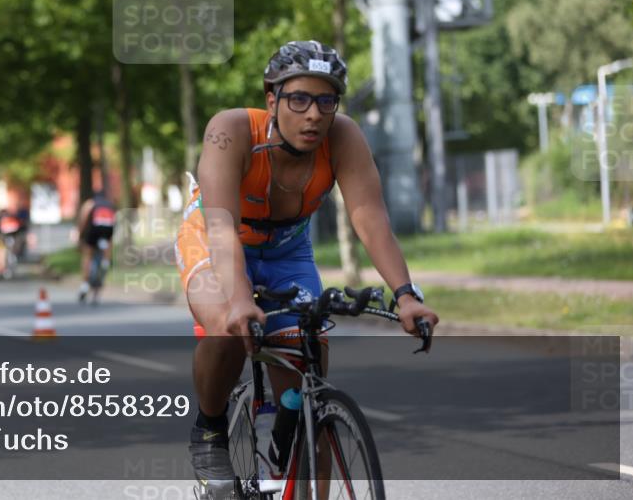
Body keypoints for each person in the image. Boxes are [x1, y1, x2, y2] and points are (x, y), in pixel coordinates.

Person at [174, 40, 440, 498]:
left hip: (287, 250)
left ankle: (294, 422)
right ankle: (211, 428)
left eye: (326, 101)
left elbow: (370, 218)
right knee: (226, 324)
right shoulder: (230, 131)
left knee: (307, 365)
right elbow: (220, 231)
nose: (314, 114)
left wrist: (406, 295)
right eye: (299, 99)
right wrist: (239, 299)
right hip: (217, 236)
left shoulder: (344, 138)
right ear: (272, 99)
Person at [76, 190, 116, 304]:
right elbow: (114, 223)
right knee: (105, 254)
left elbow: (83, 220)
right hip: (107, 231)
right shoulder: (110, 205)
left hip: (93, 231)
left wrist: (80, 236)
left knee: (87, 255)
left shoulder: (90, 203)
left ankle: (84, 285)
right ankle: (105, 262)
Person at [0, 206, 25, 278]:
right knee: (0, 251)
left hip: (9, 239)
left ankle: (1, 268)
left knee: (1, 251)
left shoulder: (13, 220)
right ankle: (1, 268)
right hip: (4, 240)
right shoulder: (11, 220)